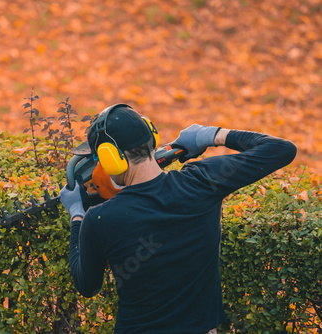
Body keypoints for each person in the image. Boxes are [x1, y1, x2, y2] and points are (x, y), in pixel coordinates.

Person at [59, 104, 297, 334]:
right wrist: (213, 135)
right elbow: (282, 149)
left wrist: (77, 216)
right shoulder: (203, 183)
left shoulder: (101, 218)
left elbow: (87, 285)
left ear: (111, 158)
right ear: (151, 137)